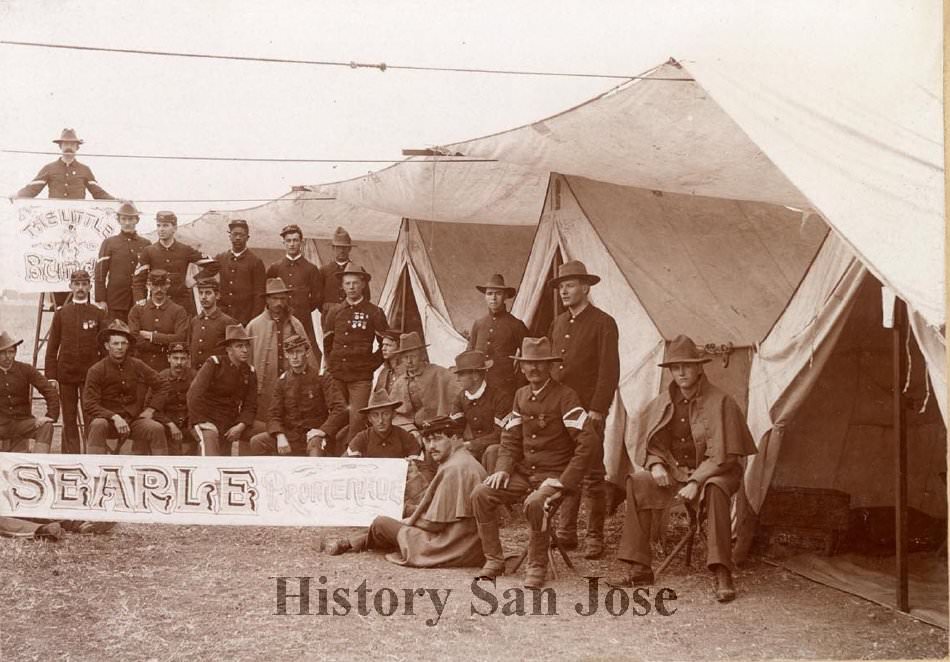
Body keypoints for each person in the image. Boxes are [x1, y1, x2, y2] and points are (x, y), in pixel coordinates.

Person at [606, 335, 757, 603]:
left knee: (715, 488)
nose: (682, 373)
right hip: (678, 472)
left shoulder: (721, 401)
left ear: (700, 367)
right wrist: (655, 465)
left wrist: (696, 481)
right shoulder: (663, 401)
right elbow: (653, 444)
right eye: (676, 368)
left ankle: (722, 571)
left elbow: (725, 457)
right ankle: (639, 567)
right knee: (637, 481)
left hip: (717, 472)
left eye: (687, 366)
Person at [470, 337, 599, 589]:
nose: (533, 369)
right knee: (481, 494)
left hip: (554, 477)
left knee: (536, 502)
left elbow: (589, 441)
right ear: (522, 366)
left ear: (550, 366)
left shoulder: (566, 397)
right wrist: (503, 470)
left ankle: (536, 565)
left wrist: (564, 479)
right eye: (528, 363)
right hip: (524, 474)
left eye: (539, 364)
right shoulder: (521, 395)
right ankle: (494, 560)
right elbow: (509, 439)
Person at [326, 416, 487, 568]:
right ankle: (352, 542)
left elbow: (435, 523)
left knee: (381, 523)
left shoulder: (455, 468)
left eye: (438, 439)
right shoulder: (462, 460)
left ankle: (350, 543)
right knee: (398, 515)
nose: (431, 447)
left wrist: (407, 520)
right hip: (468, 544)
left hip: (448, 546)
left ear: (455, 438)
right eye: (428, 440)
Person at [547, 260, 620, 560]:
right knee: (567, 469)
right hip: (562, 411)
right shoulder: (558, 323)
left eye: (570, 285)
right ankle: (566, 532)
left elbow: (609, 371)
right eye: (561, 286)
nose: (564, 290)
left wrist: (598, 409)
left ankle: (594, 535)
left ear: (586, 288)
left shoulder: (603, 322)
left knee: (592, 475)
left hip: (588, 412)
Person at [323, 263, 388, 449]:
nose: (351, 287)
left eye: (355, 283)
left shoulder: (374, 312)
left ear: (363, 285)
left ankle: (351, 455)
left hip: (360, 377)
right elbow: (328, 342)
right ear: (342, 286)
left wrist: (370, 365)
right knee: (336, 416)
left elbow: (386, 344)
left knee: (357, 420)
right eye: (347, 283)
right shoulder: (334, 312)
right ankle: (334, 455)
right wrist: (332, 364)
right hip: (337, 375)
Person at [248, 335, 347, 457]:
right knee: (257, 442)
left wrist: (323, 430)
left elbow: (339, 408)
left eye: (298, 352)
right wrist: (279, 435)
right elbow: (273, 414)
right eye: (290, 353)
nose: (294, 357)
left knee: (315, 447)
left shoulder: (322, 377)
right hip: (291, 436)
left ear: (307, 353)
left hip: (314, 435)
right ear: (286, 355)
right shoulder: (282, 381)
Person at [83, 320, 168, 456]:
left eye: (123, 343)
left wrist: (151, 409)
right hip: (107, 421)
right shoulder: (96, 370)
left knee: (156, 428)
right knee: (98, 424)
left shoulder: (137, 365)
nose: (119, 347)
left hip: (133, 420)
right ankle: (94, 469)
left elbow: (163, 385)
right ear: (107, 346)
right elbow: (89, 403)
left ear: (128, 346)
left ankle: (160, 471)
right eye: (115, 343)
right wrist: (114, 416)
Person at [44, 269, 106, 453]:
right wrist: (51, 376)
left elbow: (104, 349)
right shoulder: (62, 314)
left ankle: (92, 456)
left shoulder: (98, 313)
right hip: (66, 375)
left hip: (90, 376)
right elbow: (52, 347)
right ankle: (71, 457)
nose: (80, 288)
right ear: (70, 286)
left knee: (91, 417)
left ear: (90, 287)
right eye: (77, 284)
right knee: (69, 419)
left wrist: (102, 374)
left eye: (84, 284)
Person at [187, 325, 263, 456]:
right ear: (229, 349)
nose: (245, 350)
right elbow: (193, 395)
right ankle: (208, 475)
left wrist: (241, 425)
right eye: (239, 346)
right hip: (207, 420)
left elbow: (251, 404)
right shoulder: (215, 364)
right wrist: (202, 421)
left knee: (268, 434)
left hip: (232, 422)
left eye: (247, 345)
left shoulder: (249, 371)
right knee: (209, 440)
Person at [247, 277, 315, 418]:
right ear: (267, 300)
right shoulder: (254, 326)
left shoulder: (295, 325)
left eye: (283, 299)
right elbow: (246, 359)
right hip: (265, 387)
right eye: (275, 298)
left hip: (292, 385)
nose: (279, 303)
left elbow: (308, 355)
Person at [467, 273, 528, 404]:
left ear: (505, 296)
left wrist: (518, 385)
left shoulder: (516, 325)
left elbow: (528, 358)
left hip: (505, 389)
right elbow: (469, 355)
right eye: (489, 294)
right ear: (485, 297)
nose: (493, 298)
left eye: (498, 293)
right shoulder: (479, 324)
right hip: (479, 389)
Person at [448, 349, 510, 471]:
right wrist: (455, 441)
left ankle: (492, 488)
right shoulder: (461, 397)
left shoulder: (500, 397)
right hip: (473, 448)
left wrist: (472, 445)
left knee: (492, 451)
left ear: (475, 376)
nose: (457, 379)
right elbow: (454, 427)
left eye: (461, 375)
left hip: (497, 449)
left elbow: (502, 434)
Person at [389, 331, 461, 436]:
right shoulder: (399, 383)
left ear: (421, 355)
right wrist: (411, 430)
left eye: (413, 356)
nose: (409, 361)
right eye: (405, 357)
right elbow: (394, 414)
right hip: (411, 432)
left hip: (440, 429)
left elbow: (460, 395)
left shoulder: (439, 373)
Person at [133, 211, 204, 316]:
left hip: (182, 305)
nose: (161, 229)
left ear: (174, 228)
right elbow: (138, 280)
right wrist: (140, 300)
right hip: (158, 304)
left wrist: (195, 279)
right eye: (158, 225)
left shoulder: (185, 250)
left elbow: (212, 265)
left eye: (165, 225)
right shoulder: (148, 251)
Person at [0, 331, 59, 454]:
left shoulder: (25, 369)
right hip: (1, 425)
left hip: (23, 422)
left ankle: (38, 464)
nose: (8, 357)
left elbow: (49, 391)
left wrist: (50, 416)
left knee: (46, 427)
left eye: (11, 352)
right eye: (3, 353)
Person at [266, 224, 324, 350]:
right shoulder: (275, 268)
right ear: (284, 243)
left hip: (303, 319)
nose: (292, 244)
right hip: (279, 317)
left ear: (301, 243)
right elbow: (267, 294)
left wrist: (303, 307)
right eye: (288, 241)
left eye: (295, 240)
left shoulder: (311, 269)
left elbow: (317, 297)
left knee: (307, 350)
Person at [16, 128, 113, 199]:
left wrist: (116, 201)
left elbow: (98, 193)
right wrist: (17, 195)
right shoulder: (49, 168)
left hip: (77, 218)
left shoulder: (85, 170)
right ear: (60, 146)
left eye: (72, 144)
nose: (69, 147)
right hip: (55, 218)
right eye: (66, 144)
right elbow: (33, 189)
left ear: (77, 148)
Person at [95, 200, 150, 322]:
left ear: (137, 220)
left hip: (139, 301)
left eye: (131, 219)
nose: (127, 223)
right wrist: (101, 300)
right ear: (118, 220)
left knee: (136, 336)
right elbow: (100, 274)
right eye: (124, 219)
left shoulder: (146, 244)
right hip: (115, 301)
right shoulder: (109, 243)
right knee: (116, 334)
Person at [128, 269, 189, 373]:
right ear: (148, 285)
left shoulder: (178, 311)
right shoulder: (137, 310)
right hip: (142, 367)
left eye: (162, 285)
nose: (159, 290)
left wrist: (151, 336)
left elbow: (180, 338)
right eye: (155, 286)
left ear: (168, 285)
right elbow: (133, 338)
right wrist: (162, 346)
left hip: (166, 368)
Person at [144, 342, 197, 455]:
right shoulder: (160, 377)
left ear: (188, 359)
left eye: (183, 359)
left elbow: (201, 404)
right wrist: (169, 424)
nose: (179, 363)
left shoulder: (195, 377)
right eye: (175, 358)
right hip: (166, 424)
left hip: (189, 423)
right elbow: (149, 407)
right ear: (168, 358)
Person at [215, 219, 266, 325]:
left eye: (241, 235)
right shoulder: (221, 258)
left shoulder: (256, 262)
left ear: (247, 238)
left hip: (244, 319)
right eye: (235, 234)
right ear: (230, 236)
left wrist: (252, 322)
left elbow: (259, 296)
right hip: (222, 317)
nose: (238, 238)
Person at [318, 226, 370, 315]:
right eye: (338, 247)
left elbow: (366, 295)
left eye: (344, 247)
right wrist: (327, 309)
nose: (341, 250)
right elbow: (318, 297)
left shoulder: (358, 270)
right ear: (333, 249)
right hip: (329, 315)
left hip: (352, 314)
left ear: (349, 249)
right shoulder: (324, 270)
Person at [189, 278, 237, 370]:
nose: (203, 297)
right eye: (201, 293)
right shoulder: (194, 321)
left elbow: (234, 354)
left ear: (217, 295)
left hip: (218, 375)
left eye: (208, 293)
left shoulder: (228, 322)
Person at [372, 328, 404, 394]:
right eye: (383, 345)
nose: (383, 349)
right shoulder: (384, 372)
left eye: (388, 345)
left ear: (399, 348)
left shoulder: (407, 371)